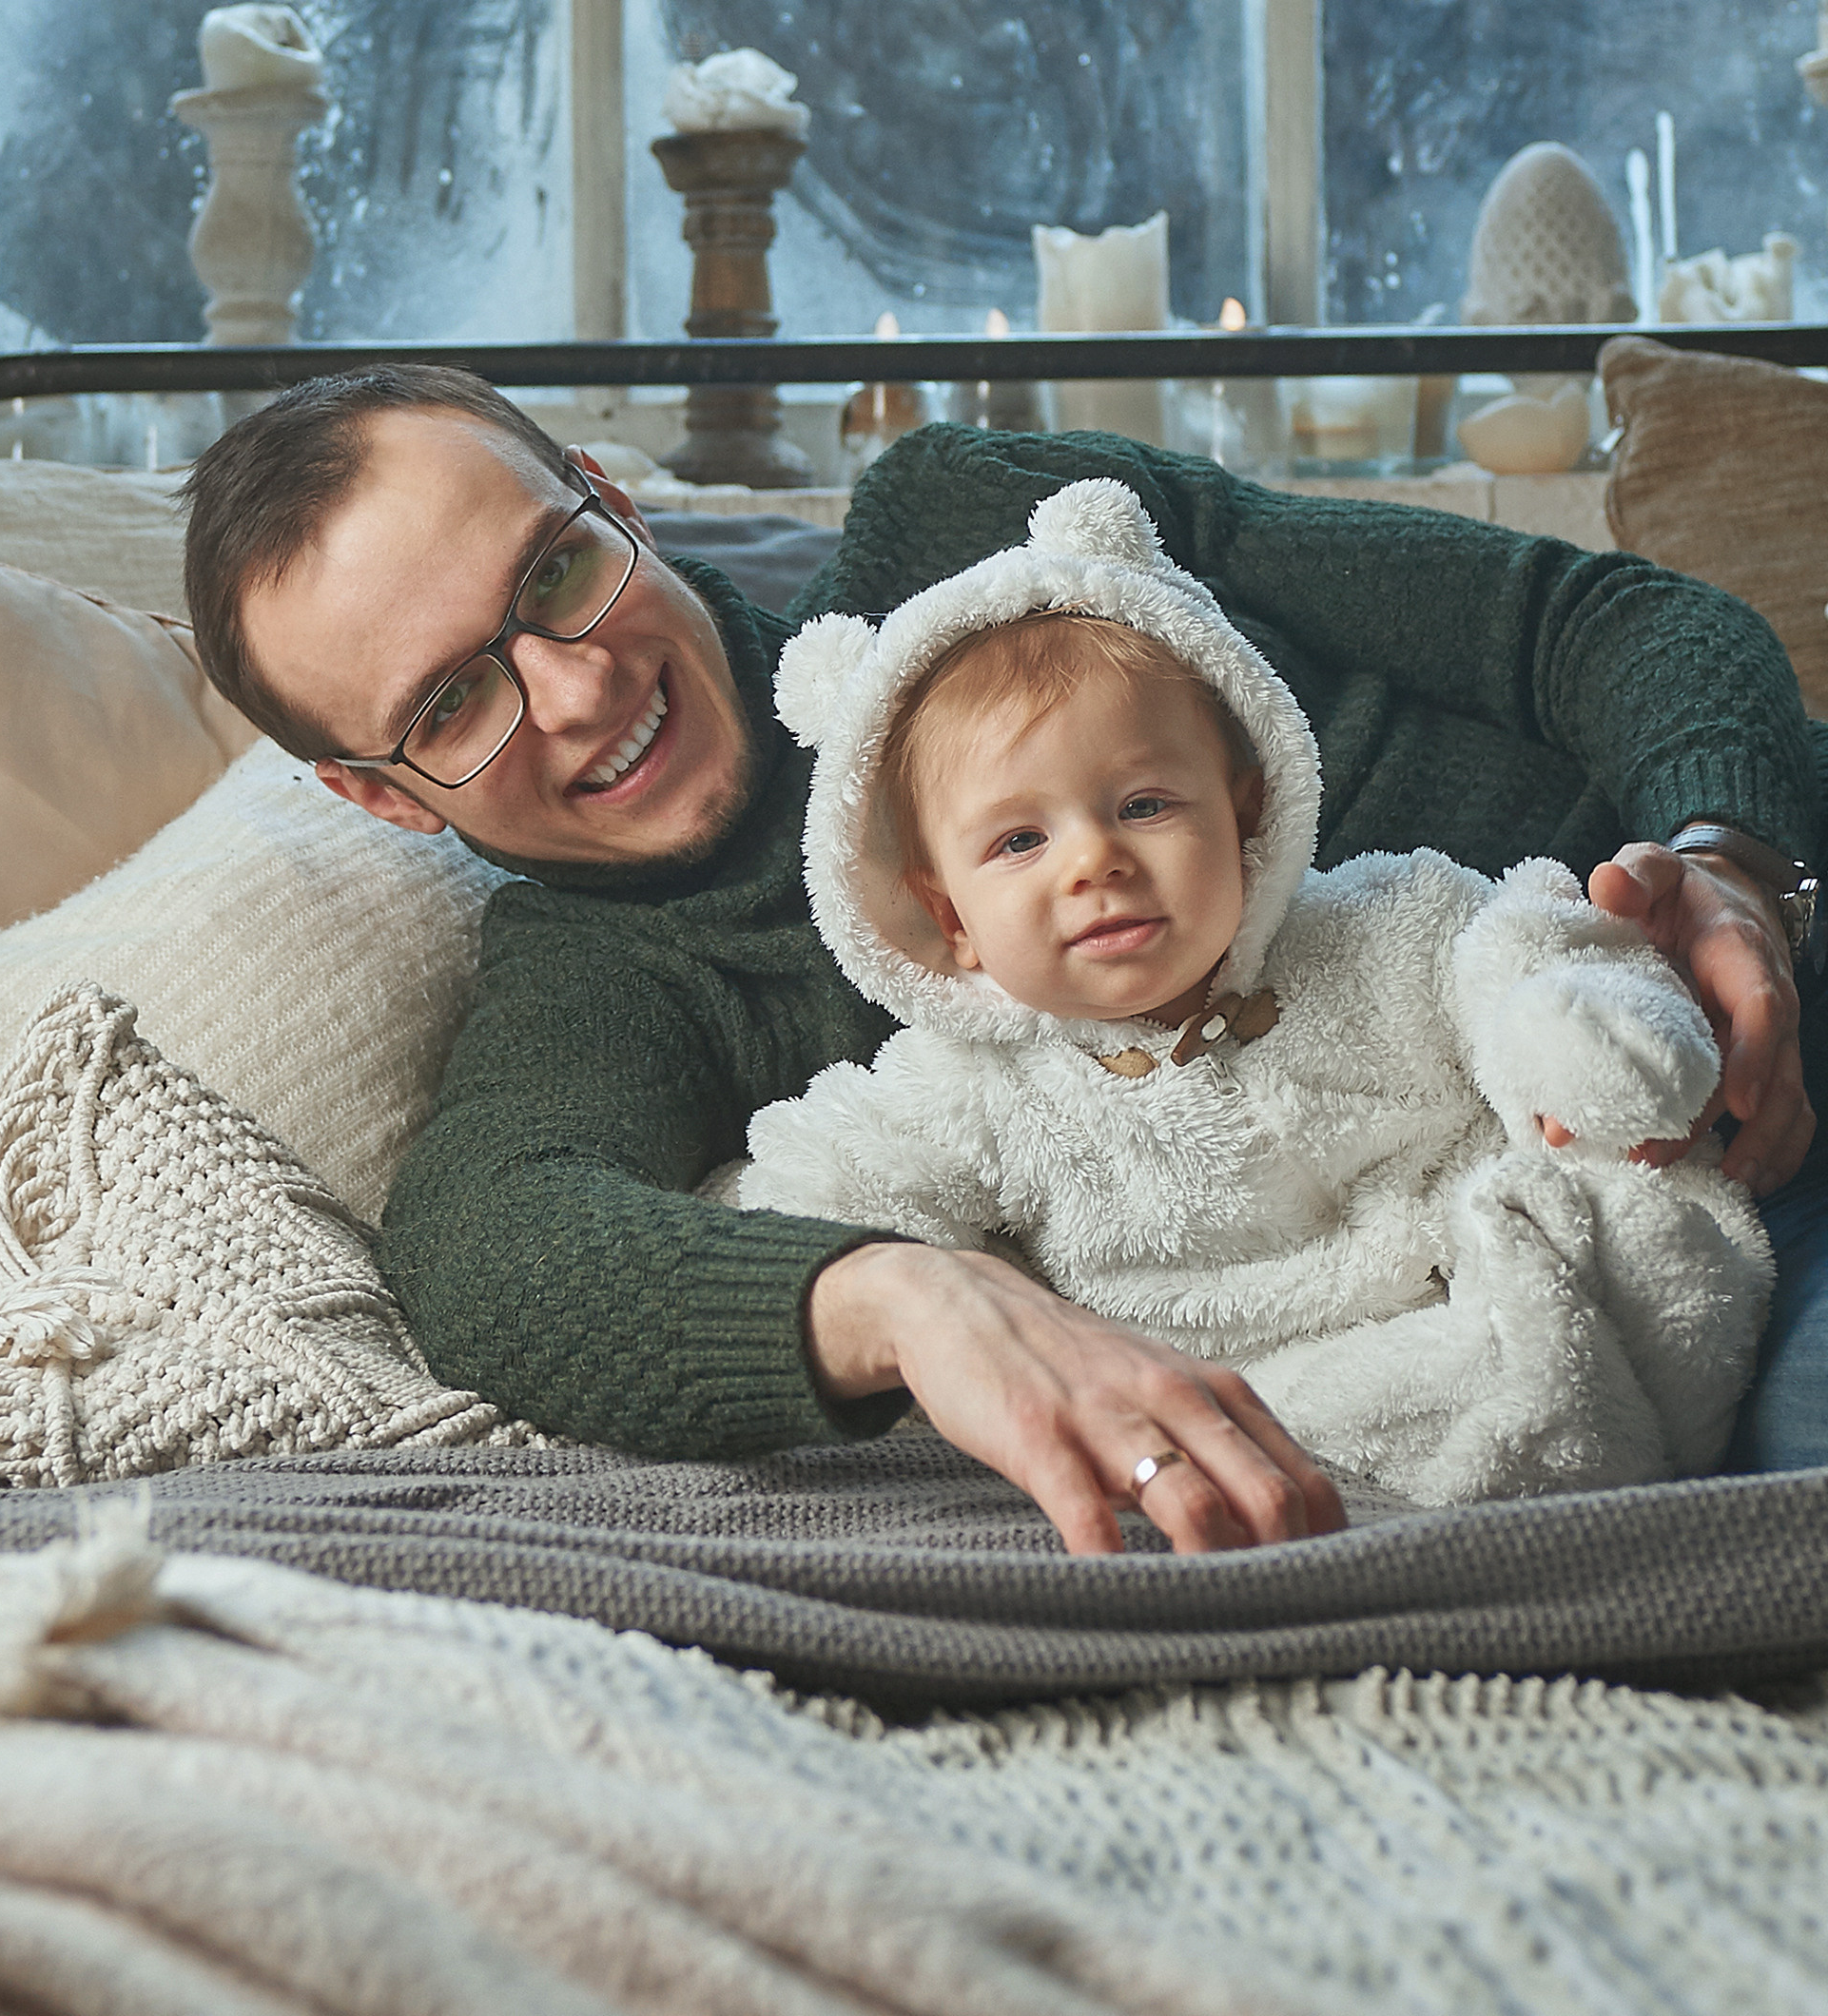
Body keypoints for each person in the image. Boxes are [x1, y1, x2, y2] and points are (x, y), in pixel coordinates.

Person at [180, 362, 1828, 1556]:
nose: (578, 689)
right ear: (382, 791)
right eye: (452, 699)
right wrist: (904, 1297)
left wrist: (1723, 856)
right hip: (1739, 1232)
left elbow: (1592, 618)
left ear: (610, 498)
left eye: (552, 576)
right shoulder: (599, 978)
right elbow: (484, 1243)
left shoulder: (976, 522)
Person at [736, 477, 1770, 1503]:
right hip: (1273, 1388)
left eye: (1144, 804)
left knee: (1636, 1212)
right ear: (950, 917)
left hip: (1502, 1247)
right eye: (1019, 840)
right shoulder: (966, 1090)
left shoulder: (1379, 921)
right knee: (1281, 1424)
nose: (1092, 862)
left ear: (1242, 813)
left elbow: (1517, 949)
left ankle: (1586, 1398)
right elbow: (813, 1205)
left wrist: (1576, 1031)